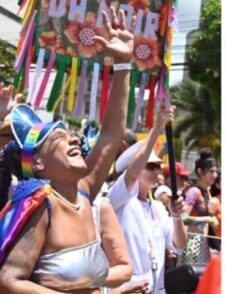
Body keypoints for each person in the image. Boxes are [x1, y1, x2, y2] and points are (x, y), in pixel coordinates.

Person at [0, 7, 139, 293]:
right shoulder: (40, 207)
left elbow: (111, 134)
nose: (74, 140)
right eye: (59, 139)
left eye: (72, 136)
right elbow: (9, 282)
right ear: (37, 164)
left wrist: (123, 63)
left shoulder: (86, 192)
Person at [108, 105, 188, 294]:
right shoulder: (119, 199)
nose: (156, 171)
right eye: (149, 166)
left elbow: (180, 247)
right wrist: (156, 130)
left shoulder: (159, 208)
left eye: (158, 166)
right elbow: (131, 177)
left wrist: (177, 218)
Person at [183, 148, 220, 263]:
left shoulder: (207, 193)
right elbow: (183, 218)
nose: (214, 175)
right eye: (211, 171)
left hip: (203, 246)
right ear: (200, 172)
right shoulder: (193, 192)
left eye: (216, 172)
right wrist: (207, 219)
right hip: (191, 246)